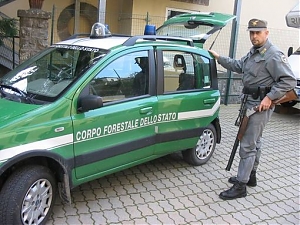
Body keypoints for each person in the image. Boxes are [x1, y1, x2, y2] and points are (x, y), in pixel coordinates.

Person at [209, 18, 297, 200]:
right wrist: (218, 58)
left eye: (258, 32)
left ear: (266, 32)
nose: (254, 36)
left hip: (259, 106)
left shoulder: (273, 54)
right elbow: (239, 66)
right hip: (249, 102)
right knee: (255, 142)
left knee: (247, 144)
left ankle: (241, 186)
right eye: (251, 32)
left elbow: (289, 81)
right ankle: (250, 176)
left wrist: (269, 97)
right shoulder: (254, 52)